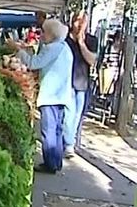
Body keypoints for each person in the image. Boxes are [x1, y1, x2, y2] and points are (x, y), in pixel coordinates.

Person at [7, 19, 73, 174]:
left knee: (49, 131)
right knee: (57, 130)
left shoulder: (53, 48)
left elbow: (33, 63)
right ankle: (56, 163)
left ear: (51, 33)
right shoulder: (65, 47)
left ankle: (50, 164)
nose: (42, 35)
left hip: (51, 96)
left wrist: (17, 49)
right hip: (61, 96)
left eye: (44, 31)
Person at [63, 11, 98, 157]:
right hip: (66, 82)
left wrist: (81, 43)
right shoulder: (64, 39)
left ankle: (69, 141)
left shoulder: (91, 40)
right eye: (78, 20)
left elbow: (91, 60)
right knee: (69, 115)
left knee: (77, 115)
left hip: (82, 83)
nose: (80, 24)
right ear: (72, 22)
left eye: (83, 21)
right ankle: (69, 144)